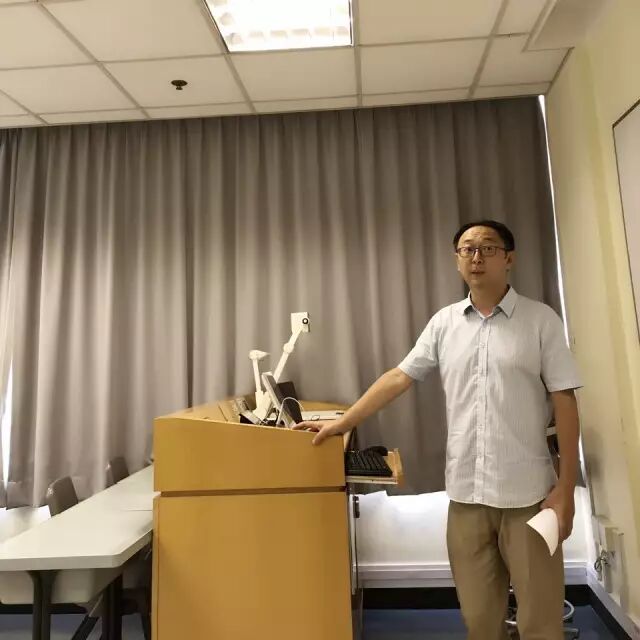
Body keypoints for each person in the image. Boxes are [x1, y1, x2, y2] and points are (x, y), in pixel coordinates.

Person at [294, 220, 581, 640]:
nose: (476, 257)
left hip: (529, 498)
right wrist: (343, 422)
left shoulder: (541, 321)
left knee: (540, 623)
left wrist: (566, 488)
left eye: (487, 248)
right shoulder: (445, 323)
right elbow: (399, 377)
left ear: (509, 258)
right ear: (457, 260)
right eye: (467, 249)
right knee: (480, 622)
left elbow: (565, 401)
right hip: (465, 498)